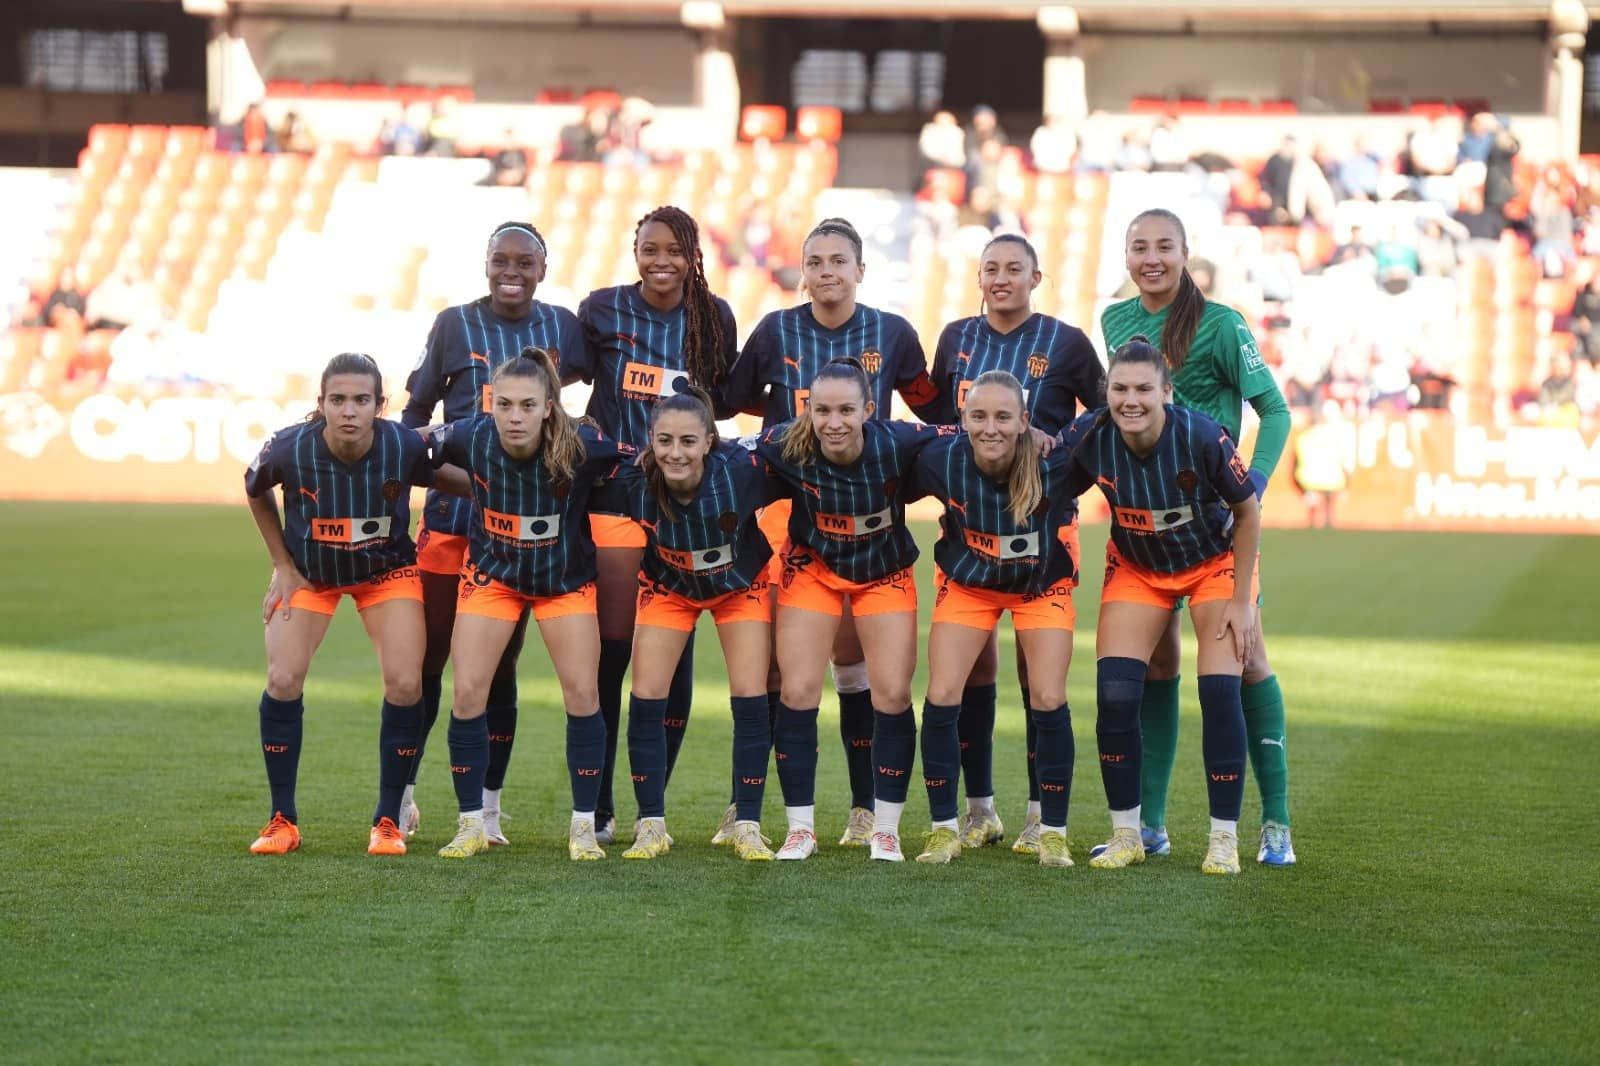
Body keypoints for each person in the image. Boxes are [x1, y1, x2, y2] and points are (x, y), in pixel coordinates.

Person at [720, 217, 941, 848]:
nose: (825, 271)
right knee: (776, 672)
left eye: (838, 260)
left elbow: (931, 406)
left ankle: (867, 809)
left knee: (856, 669)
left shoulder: (893, 333)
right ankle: (750, 807)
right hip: (790, 515)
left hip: (870, 518)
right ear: (802, 270)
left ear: (859, 270)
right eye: (814, 261)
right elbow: (733, 399)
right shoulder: (775, 330)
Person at [1099, 207, 1296, 866]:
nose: (1150, 258)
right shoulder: (1115, 321)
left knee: (1247, 664)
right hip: (1149, 531)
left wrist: (1254, 484)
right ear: (1125, 255)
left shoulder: (1221, 324)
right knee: (1156, 664)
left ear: (1185, 254)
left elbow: (1274, 410)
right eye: (1138, 247)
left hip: (1217, 528)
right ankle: (1149, 825)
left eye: (1163, 247)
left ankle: (1276, 823)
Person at [399, 220, 585, 847]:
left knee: (500, 667)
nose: (513, 270)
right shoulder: (454, 324)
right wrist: (447, 486)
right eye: (501, 259)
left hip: (522, 536)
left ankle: (489, 809)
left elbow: (594, 402)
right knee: (427, 661)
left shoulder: (563, 327)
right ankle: (401, 796)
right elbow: (415, 418)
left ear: (543, 268)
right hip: (453, 526)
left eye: (525, 261)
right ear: (485, 264)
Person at [243, 353, 465, 857]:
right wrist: (282, 565)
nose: (348, 410)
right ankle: (283, 820)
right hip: (311, 575)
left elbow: (454, 478)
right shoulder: (289, 447)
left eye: (361, 400)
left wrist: (508, 492)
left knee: (407, 682)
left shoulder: (404, 445)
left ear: (379, 406)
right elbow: (254, 488)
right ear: (319, 403)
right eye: (337, 399)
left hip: (385, 574)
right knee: (282, 679)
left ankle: (388, 819)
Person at [925, 233, 1101, 854]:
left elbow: (1104, 412)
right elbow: (934, 427)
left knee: (1039, 680)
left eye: (1014, 269)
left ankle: (1039, 817)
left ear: (1037, 276)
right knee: (969, 674)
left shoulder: (1067, 342)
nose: (1001, 278)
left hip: (1042, 525)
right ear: (978, 277)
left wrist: (1055, 437)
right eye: (990, 269)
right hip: (971, 534)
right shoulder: (954, 339)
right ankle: (978, 810)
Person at [1059, 338, 1261, 875]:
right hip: (1137, 567)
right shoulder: (1091, 433)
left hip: (1212, 563)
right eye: (1119, 388)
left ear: (1166, 392)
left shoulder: (1200, 435)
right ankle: (1129, 834)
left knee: (1220, 690)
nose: (1130, 400)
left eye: (1144, 389)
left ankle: (1224, 839)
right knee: (1116, 694)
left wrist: (1242, 601)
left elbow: (1247, 511)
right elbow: (1043, 475)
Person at [570, 205, 738, 844]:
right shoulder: (602, 309)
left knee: (674, 653)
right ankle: (604, 801)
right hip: (616, 496)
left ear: (691, 254)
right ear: (633, 250)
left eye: (673, 250)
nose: (660, 261)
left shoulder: (713, 317)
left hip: (686, 503)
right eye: (649, 248)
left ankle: (651, 802)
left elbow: (726, 396)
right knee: (613, 651)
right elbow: (562, 377)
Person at [426, 350, 624, 860]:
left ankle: (583, 827)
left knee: (583, 694)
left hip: (564, 584)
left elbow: (637, 469)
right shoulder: (469, 436)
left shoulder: (586, 445)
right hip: (493, 580)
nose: (515, 416)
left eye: (528, 405)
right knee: (468, 691)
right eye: (505, 404)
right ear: (491, 403)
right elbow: (407, 454)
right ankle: (472, 823)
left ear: (549, 408)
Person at [754, 358, 948, 862]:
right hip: (814, 570)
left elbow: (959, 432)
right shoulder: (785, 444)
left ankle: (884, 829)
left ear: (868, 408)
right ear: (808, 411)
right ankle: (801, 828)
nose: (833, 422)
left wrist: (1035, 435)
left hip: (883, 573)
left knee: (891, 692)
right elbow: (726, 451)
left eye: (845, 409)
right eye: (822, 410)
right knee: (796, 690)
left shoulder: (899, 441)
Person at [594, 387, 783, 861]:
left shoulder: (743, 470)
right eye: (664, 441)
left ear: (709, 442)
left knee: (750, 695)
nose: (675, 452)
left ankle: (747, 823)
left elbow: (802, 456)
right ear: (650, 442)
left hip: (739, 586)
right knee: (646, 695)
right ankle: (650, 825)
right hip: (669, 588)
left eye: (687, 441)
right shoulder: (633, 481)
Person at [910, 371, 1084, 867]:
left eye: (1004, 417)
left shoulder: (1060, 460)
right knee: (943, 693)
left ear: (1026, 421)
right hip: (970, 585)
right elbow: (881, 447)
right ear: (962, 420)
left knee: (1049, 695)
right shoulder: (939, 457)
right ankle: (944, 828)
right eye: (979, 416)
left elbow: (1109, 433)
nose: (991, 428)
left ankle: (1051, 830)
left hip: (1040, 586)